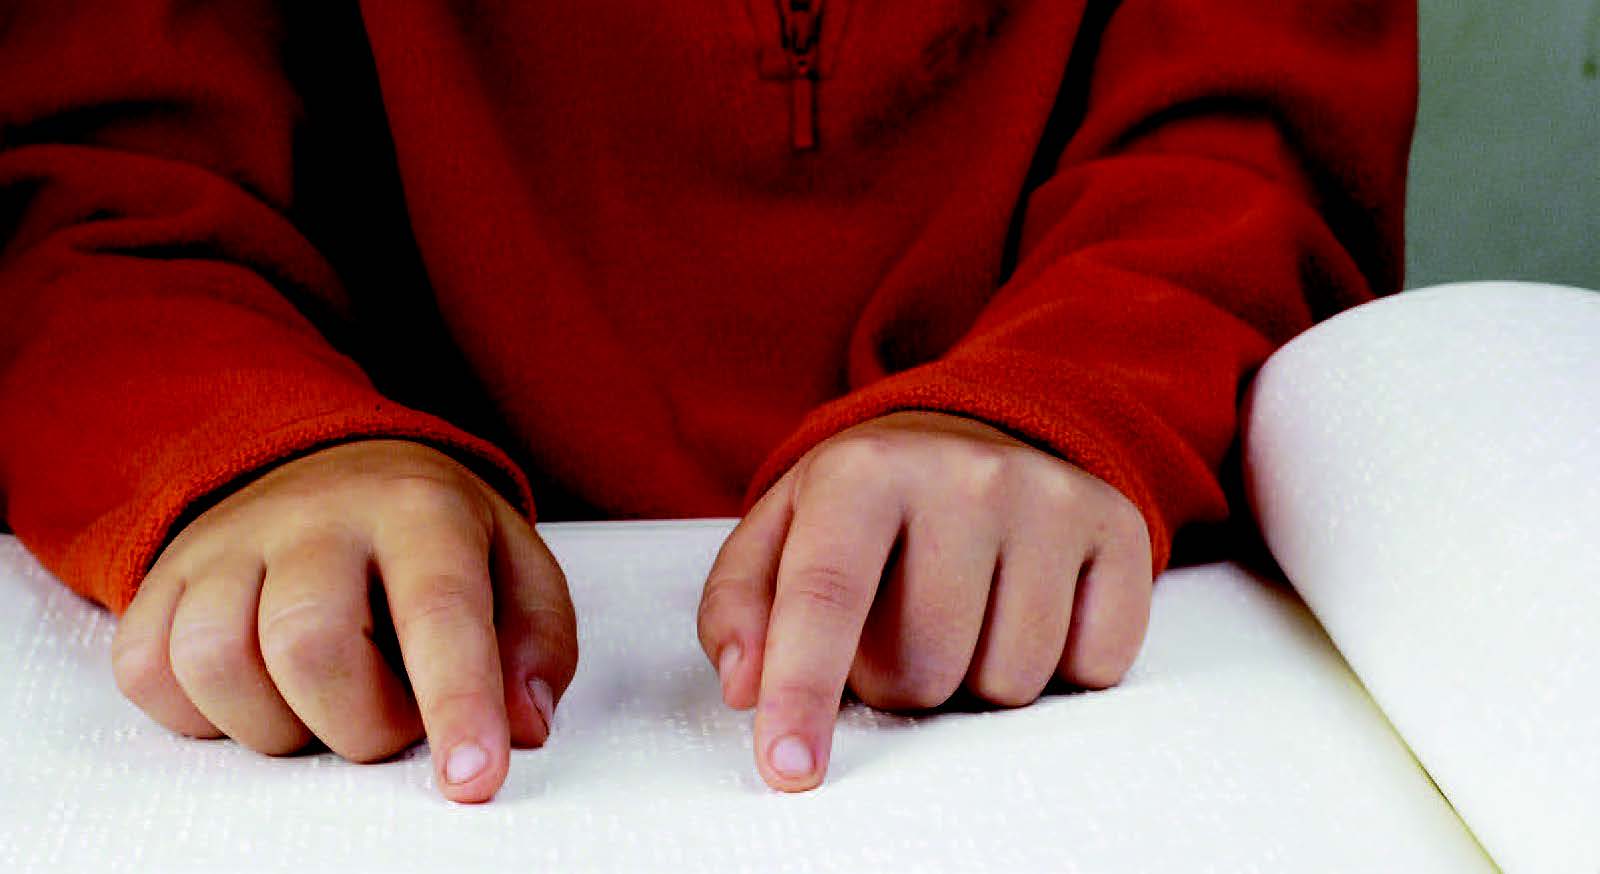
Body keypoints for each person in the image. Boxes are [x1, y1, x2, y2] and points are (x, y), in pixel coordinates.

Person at [0, 1, 1418, 804]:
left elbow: (1260, 151)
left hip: (1115, 624)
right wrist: (243, 444)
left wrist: (1071, 390)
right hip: (351, 620)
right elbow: (92, 190)